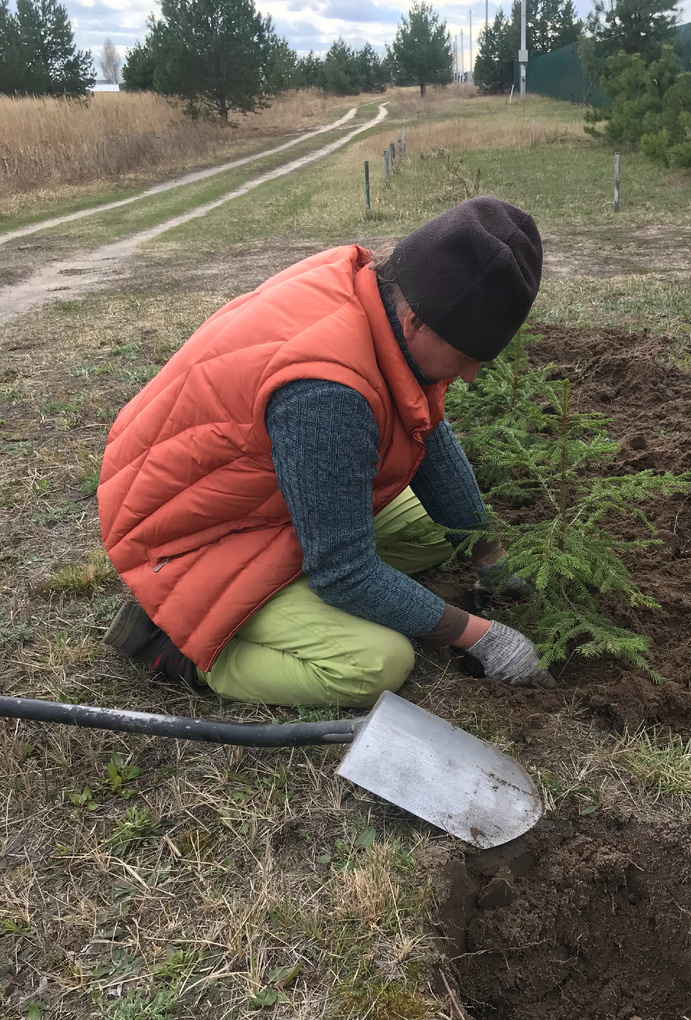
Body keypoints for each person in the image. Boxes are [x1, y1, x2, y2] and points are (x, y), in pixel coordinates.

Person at [98, 196, 552, 709]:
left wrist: (489, 556)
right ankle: (182, 649)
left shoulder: (374, 290)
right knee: (377, 664)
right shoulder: (327, 396)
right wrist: (480, 636)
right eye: (466, 356)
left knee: (433, 530)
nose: (469, 375)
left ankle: (294, 585)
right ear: (415, 322)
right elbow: (344, 571)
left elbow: (425, 428)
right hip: (187, 538)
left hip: (256, 498)